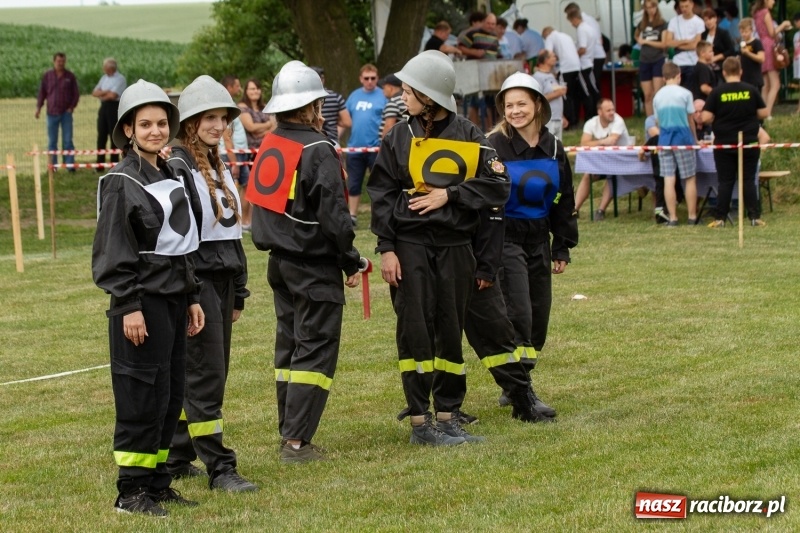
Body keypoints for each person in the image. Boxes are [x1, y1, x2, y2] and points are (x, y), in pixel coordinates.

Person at [367, 50, 510, 446]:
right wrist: (387, 248)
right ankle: (420, 422)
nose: (403, 96)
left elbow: (500, 184)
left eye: (409, 90)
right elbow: (380, 193)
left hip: (456, 247)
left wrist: (452, 195)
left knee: (450, 329)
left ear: (429, 95)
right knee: (414, 330)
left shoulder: (469, 134)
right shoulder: (399, 136)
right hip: (409, 247)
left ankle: (447, 417)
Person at [92, 79, 204, 516]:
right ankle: (130, 491)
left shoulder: (171, 172)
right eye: (146, 124)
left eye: (161, 123)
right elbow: (113, 251)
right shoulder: (120, 181)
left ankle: (157, 483)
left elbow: (181, 246)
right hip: (142, 303)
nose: (156, 131)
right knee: (140, 395)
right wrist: (128, 305)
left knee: (169, 393)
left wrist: (192, 295)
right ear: (128, 130)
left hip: (175, 300)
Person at [248, 61, 361, 462]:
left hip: (279, 263)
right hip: (313, 266)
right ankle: (296, 443)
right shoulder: (318, 149)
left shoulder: (272, 143)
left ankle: (289, 432)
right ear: (315, 106)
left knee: (291, 349)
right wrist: (350, 259)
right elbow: (335, 215)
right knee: (314, 351)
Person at [165, 75, 257, 492]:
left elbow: (231, 236)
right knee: (205, 376)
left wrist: (238, 289)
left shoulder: (217, 163)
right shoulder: (178, 166)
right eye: (209, 117)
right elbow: (179, 243)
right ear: (189, 120)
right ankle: (221, 468)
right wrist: (191, 295)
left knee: (205, 374)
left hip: (221, 285)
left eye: (223, 117)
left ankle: (177, 455)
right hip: (196, 287)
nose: (218, 125)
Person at [487, 72, 578, 417]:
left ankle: (518, 382)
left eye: (521, 103)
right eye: (509, 105)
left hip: (539, 239)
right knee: (518, 314)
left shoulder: (554, 147)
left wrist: (561, 245)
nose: (515, 111)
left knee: (538, 319)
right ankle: (520, 390)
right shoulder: (494, 145)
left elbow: (562, 196)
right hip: (506, 239)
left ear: (538, 104)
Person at [702, 57, 768, 228]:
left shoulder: (717, 92)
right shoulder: (751, 90)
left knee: (725, 181)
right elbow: (763, 113)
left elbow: (705, 117)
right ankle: (754, 217)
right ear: (741, 71)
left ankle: (720, 218)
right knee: (748, 179)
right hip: (749, 142)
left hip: (724, 143)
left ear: (723, 72)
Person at [653, 62, 699, 226]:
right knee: (689, 178)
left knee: (668, 179)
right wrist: (695, 139)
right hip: (683, 138)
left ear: (664, 78)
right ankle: (692, 216)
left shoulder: (657, 96)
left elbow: (657, 121)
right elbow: (690, 119)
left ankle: (673, 217)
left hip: (664, 139)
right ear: (679, 75)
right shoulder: (685, 94)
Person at [573, 98, 631, 220]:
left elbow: (613, 140)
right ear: (600, 112)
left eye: (613, 109)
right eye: (608, 110)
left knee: (611, 174)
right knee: (587, 175)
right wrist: (602, 141)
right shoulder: (591, 123)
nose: (612, 113)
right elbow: (584, 143)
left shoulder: (618, 121)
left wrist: (594, 143)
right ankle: (575, 209)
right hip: (603, 160)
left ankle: (601, 210)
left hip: (622, 161)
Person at [344, 63, 386, 226]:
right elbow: (345, 120)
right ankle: (352, 216)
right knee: (353, 183)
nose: (370, 81)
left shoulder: (383, 95)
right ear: (361, 79)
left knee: (377, 183)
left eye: (373, 78)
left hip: (376, 147)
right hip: (354, 147)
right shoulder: (353, 96)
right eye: (366, 78)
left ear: (378, 78)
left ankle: (376, 217)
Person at [219, 75, 253, 229]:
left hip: (240, 153)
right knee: (230, 189)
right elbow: (227, 136)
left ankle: (244, 222)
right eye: (237, 86)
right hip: (232, 155)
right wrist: (234, 162)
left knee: (246, 186)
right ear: (229, 87)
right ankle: (231, 222)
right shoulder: (225, 107)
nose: (240, 89)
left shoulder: (231, 104)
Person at [35, 52, 79, 169]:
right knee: (52, 142)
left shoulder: (70, 76)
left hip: (66, 113)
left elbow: (76, 93)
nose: (61, 63)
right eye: (59, 61)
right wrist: (38, 108)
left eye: (63, 61)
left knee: (68, 141)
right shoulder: (47, 76)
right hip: (51, 113)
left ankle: (70, 166)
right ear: (54, 61)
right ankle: (53, 166)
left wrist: (72, 107)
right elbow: (42, 93)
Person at [459, 12, 500, 131]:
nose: (491, 26)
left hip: (490, 74)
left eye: (493, 24)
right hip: (475, 73)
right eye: (488, 23)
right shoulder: (472, 33)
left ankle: (490, 130)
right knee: (475, 102)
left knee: (490, 103)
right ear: (483, 22)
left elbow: (497, 53)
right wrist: (474, 53)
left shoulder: (494, 37)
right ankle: (473, 130)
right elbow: (461, 47)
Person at [752, 0, 792, 119]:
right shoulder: (765, 13)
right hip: (769, 46)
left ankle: (762, 113)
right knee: (775, 84)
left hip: (761, 46)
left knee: (766, 85)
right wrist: (783, 25)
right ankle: (768, 113)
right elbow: (772, 32)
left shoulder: (757, 13)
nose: (774, 2)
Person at [542, 27, 583, 129]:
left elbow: (547, 55)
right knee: (574, 95)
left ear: (546, 34)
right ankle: (575, 120)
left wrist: (551, 72)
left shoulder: (550, 37)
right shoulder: (566, 36)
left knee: (565, 96)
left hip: (565, 68)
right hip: (576, 66)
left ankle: (569, 122)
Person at [566, 6, 601, 121]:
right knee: (592, 89)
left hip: (583, 64)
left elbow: (582, 48)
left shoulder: (581, 29)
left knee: (587, 92)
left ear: (575, 18)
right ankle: (595, 114)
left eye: (571, 21)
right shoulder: (589, 27)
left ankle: (590, 116)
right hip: (589, 62)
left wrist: (573, 55)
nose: (571, 24)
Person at [635, 0, 669, 117]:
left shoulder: (662, 23)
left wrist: (646, 42)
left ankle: (659, 118)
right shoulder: (642, 23)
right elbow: (636, 34)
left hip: (657, 59)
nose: (651, 10)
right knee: (647, 94)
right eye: (648, 8)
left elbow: (664, 44)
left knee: (657, 93)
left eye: (653, 7)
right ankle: (650, 121)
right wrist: (639, 40)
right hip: (644, 59)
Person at [92, 58, 126, 170]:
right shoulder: (104, 78)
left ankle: (114, 163)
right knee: (101, 135)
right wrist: (106, 91)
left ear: (111, 68)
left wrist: (102, 93)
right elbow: (94, 92)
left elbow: (113, 95)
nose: (103, 69)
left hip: (114, 107)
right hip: (104, 108)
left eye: (105, 67)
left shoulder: (120, 79)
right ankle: (100, 164)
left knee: (113, 135)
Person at [238, 78, 274, 187]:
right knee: (254, 186)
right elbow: (251, 127)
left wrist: (262, 131)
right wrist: (268, 125)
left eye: (258, 88)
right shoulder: (242, 107)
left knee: (269, 184)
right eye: (252, 89)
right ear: (246, 91)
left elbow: (276, 125)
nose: (255, 91)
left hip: (269, 150)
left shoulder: (266, 106)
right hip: (252, 153)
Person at [665, 0, 705, 89]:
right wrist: (685, 41)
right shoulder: (673, 21)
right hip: (677, 62)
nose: (684, 9)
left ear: (692, 5)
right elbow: (668, 42)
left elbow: (695, 45)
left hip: (693, 62)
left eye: (686, 6)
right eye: (682, 7)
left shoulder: (698, 22)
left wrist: (677, 45)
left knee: (691, 90)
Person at [564, 3, 607, 83]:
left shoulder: (583, 25)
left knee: (592, 84)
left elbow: (584, 46)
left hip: (594, 56)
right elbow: (600, 38)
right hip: (596, 54)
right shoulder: (590, 19)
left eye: (569, 14)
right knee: (594, 84)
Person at [310, 66, 352, 146]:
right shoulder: (335, 97)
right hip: (332, 141)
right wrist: (334, 122)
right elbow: (347, 122)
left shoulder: (304, 99)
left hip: (310, 141)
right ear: (322, 79)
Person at [533, 49, 568, 138]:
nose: (555, 58)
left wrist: (562, 116)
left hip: (557, 118)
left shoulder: (551, 75)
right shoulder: (537, 76)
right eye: (553, 56)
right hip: (547, 119)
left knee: (558, 147)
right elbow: (537, 99)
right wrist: (557, 93)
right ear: (546, 60)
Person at [701, 7, 736, 78]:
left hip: (721, 66)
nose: (708, 22)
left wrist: (717, 57)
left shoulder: (723, 33)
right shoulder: (703, 35)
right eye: (706, 20)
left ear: (715, 19)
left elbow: (731, 50)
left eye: (710, 19)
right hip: (707, 67)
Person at [738, 18, 765, 92]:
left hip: (754, 78)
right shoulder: (741, 44)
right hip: (744, 78)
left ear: (751, 30)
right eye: (742, 32)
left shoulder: (756, 42)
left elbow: (761, 58)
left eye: (746, 32)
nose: (744, 34)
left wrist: (748, 53)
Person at [378, 73, 407, 138]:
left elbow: (389, 126)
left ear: (390, 88)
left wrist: (384, 145)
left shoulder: (393, 102)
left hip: (394, 144)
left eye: (384, 87)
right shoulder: (405, 100)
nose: (383, 91)